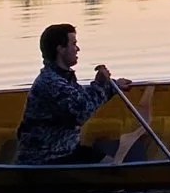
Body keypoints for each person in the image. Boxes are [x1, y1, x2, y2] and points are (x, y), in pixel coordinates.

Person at [16, 23, 133, 165]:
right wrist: (101, 85)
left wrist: (111, 86)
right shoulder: (51, 83)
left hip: (66, 150)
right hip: (46, 158)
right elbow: (81, 112)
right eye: (73, 44)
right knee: (112, 171)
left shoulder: (63, 77)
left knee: (111, 164)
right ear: (60, 49)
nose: (78, 49)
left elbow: (81, 97)